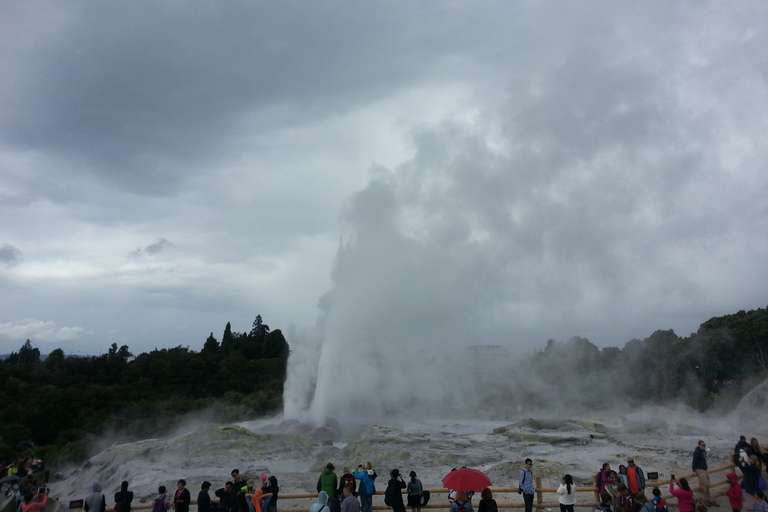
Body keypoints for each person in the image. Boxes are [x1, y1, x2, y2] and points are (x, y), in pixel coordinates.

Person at [693, 440, 717, 506]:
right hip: (700, 470)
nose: (704, 446)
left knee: (708, 484)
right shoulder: (697, 452)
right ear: (699, 445)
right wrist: (694, 470)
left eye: (704, 445)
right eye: (703, 445)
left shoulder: (703, 452)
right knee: (705, 485)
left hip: (704, 469)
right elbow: (694, 461)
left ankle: (709, 499)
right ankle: (706, 499)